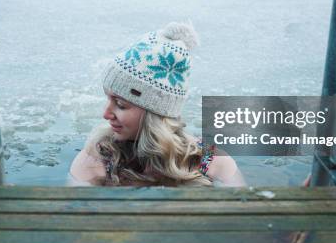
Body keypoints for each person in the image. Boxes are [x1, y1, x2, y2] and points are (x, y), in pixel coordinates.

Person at [68, 22, 246, 187]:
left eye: (121, 104)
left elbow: (243, 216)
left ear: (155, 113)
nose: (106, 114)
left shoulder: (214, 163)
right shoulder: (96, 161)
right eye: (108, 99)